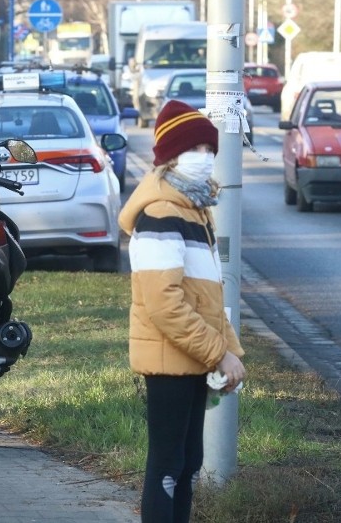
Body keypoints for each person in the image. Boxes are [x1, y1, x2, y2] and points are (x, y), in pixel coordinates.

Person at [117, 100, 246, 523]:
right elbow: (165, 305)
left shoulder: (194, 210)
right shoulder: (159, 214)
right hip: (169, 361)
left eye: (210, 150)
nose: (206, 158)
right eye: (196, 150)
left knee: (187, 465)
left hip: (192, 359)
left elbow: (208, 298)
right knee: (168, 469)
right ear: (169, 157)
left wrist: (231, 354)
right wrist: (219, 354)